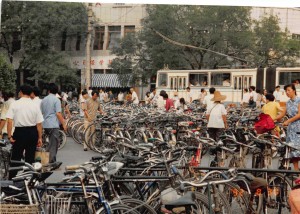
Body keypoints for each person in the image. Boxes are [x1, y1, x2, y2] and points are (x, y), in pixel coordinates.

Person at [6, 85, 43, 179]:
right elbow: (39, 124)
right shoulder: (35, 105)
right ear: (30, 93)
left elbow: (9, 120)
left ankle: (12, 180)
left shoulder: (15, 104)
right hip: (32, 132)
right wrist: (39, 137)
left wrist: (10, 136)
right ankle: (28, 179)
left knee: (16, 158)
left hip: (19, 132)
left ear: (21, 92)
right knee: (30, 158)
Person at [41, 83, 67, 164]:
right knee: (54, 144)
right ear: (56, 91)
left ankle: (46, 159)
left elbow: (41, 112)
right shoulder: (56, 100)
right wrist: (63, 124)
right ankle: (51, 162)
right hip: (53, 125)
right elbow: (58, 113)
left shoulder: (44, 99)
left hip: (45, 124)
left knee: (48, 143)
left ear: (48, 90)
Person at [276, 84, 300, 171]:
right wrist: (272, 118)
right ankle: (297, 171)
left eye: (289, 90)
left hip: (298, 127)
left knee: (298, 149)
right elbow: (282, 114)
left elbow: (299, 115)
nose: (287, 92)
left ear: (294, 90)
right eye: (286, 91)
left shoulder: (299, 100)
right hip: (291, 129)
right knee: (293, 151)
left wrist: (288, 121)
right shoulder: (288, 102)